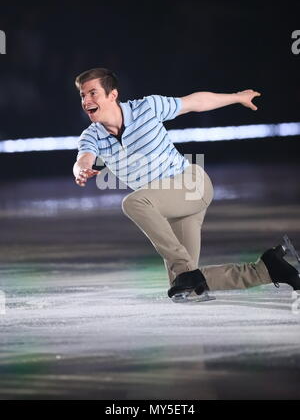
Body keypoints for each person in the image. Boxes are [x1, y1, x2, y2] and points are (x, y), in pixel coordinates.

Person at [73, 67, 300, 302]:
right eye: (82, 95)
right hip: (172, 206)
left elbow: (195, 102)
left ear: (112, 95)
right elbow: (84, 156)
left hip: (191, 185)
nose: (86, 100)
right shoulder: (92, 136)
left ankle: (183, 267)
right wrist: (81, 168)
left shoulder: (147, 108)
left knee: (134, 202)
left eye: (92, 93)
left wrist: (237, 97)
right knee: (183, 285)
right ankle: (267, 269)